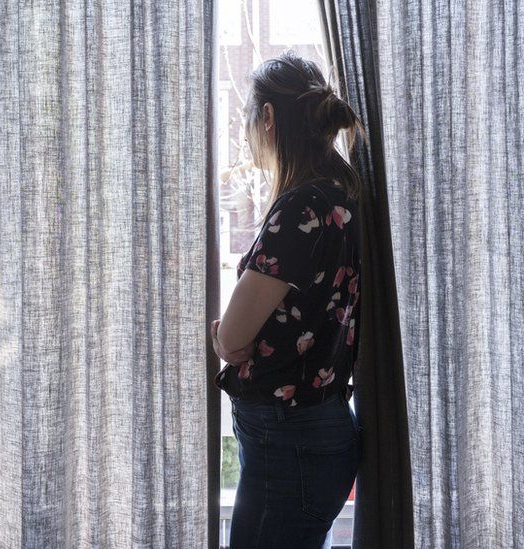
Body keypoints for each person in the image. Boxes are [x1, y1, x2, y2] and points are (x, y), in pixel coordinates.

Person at [211, 50, 367, 549]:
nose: (245, 130)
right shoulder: (342, 193)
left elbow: (233, 337)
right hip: (311, 432)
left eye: (247, 117)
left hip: (290, 441)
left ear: (270, 117)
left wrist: (224, 338)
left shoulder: (302, 205)